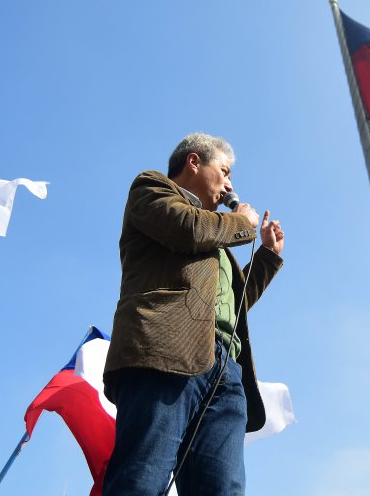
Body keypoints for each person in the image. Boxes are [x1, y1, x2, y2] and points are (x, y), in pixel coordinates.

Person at [102, 132, 285, 496]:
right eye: (225, 171)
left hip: (227, 373)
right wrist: (243, 223)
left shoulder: (218, 238)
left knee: (223, 489)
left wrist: (266, 256)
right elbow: (187, 229)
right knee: (142, 478)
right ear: (194, 162)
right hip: (165, 354)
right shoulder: (151, 188)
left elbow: (231, 304)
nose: (230, 183)